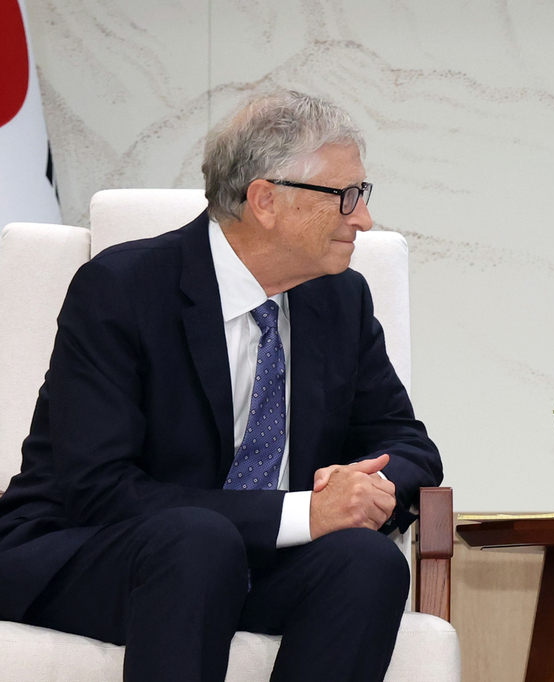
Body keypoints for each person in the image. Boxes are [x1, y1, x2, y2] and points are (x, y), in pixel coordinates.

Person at [0, 90, 443, 682]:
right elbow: (100, 491)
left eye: (361, 197)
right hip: (95, 554)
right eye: (345, 197)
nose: (362, 218)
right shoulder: (121, 289)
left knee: (368, 562)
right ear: (265, 201)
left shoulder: (341, 299)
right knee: (198, 542)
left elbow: (410, 445)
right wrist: (303, 513)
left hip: (246, 562)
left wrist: (367, 487)